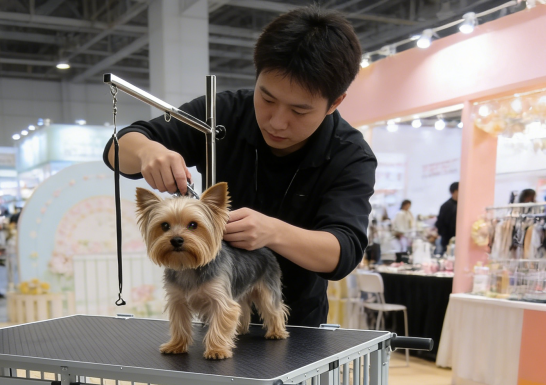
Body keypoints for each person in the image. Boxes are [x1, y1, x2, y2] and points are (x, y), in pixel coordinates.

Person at [104, 6, 376, 327]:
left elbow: (342, 253)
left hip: (296, 326)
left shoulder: (350, 154)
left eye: (299, 111)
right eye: (267, 97)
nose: (276, 122)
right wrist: (149, 151)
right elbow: (117, 149)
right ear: (257, 76)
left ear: (335, 102)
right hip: (213, 316)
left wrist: (272, 232)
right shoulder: (221, 113)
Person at [435, 182, 459, 256]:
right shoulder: (446, 206)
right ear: (453, 191)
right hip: (448, 240)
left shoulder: (463, 205)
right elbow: (440, 224)